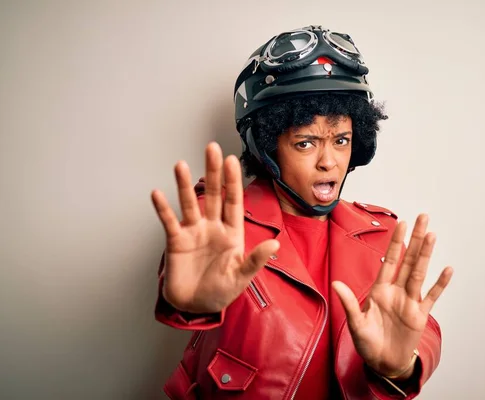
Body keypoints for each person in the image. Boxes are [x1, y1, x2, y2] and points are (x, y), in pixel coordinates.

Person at [151, 25, 453, 400]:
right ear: (267, 148)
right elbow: (186, 274)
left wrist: (403, 364)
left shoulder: (381, 235)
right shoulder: (220, 223)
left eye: (341, 140)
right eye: (305, 142)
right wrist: (188, 304)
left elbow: (414, 325)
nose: (329, 162)